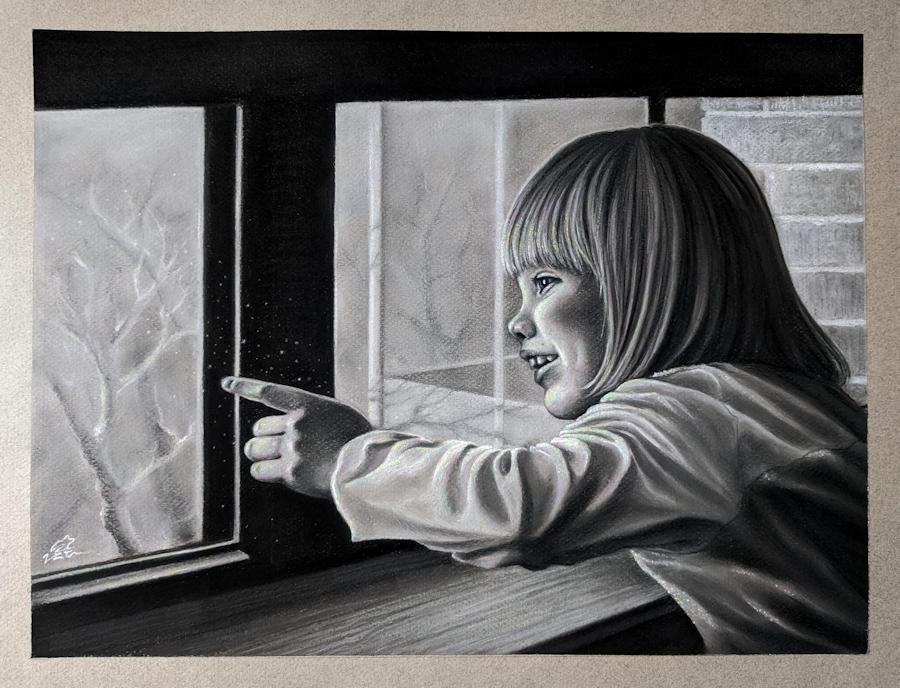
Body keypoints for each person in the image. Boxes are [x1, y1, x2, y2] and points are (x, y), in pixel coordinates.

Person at [222, 125, 867, 654]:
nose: (516, 322)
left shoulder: (692, 415)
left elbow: (518, 507)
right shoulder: (787, 399)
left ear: (643, 284)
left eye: (546, 282)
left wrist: (346, 458)